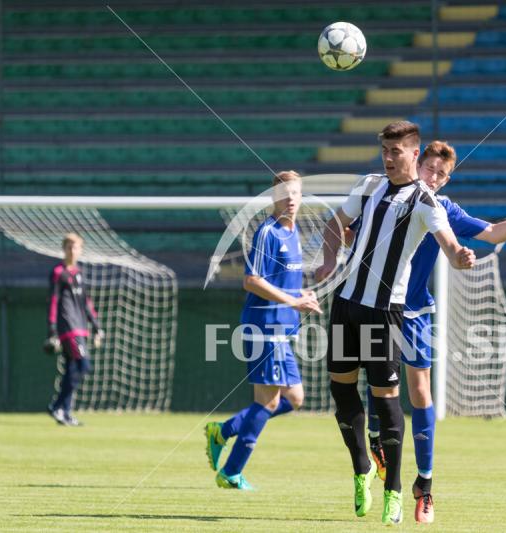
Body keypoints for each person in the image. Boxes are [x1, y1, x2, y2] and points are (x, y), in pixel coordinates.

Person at [363, 140, 506, 523]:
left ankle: (424, 484)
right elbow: (351, 228)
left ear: (447, 178)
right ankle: (377, 448)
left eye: (441, 174)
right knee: (378, 385)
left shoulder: (443, 209)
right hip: (377, 306)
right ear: (417, 164)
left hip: (414, 311)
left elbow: (493, 233)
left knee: (420, 392)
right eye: (429, 169)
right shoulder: (385, 197)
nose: (433, 177)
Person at [315, 121, 476, 525]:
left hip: (385, 312)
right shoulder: (368, 184)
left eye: (396, 151)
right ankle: (362, 469)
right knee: (341, 391)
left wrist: (461, 258)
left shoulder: (426, 201)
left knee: (386, 401)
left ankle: (395, 491)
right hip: (346, 304)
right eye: (385, 151)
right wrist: (329, 260)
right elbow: (335, 224)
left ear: (414, 154)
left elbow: (451, 246)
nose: (388, 158)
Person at [204, 170, 322, 491]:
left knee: (294, 398)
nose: (291, 199)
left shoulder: (293, 232)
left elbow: (280, 282)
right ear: (274, 197)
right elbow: (252, 281)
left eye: (295, 193)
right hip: (264, 328)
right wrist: (293, 302)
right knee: (268, 403)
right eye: (284, 193)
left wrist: (299, 295)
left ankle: (222, 431)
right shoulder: (267, 233)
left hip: (282, 329)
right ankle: (231, 472)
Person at [45, 233, 103, 427]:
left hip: (81, 327)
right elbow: (53, 301)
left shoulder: (79, 273)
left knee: (72, 369)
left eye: (75, 247)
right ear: (64, 249)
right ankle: (57, 406)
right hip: (68, 327)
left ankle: (65, 412)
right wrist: (52, 329)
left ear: (80, 250)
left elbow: (86, 302)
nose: (72, 250)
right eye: (68, 247)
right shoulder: (58, 272)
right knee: (83, 365)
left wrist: (96, 326)